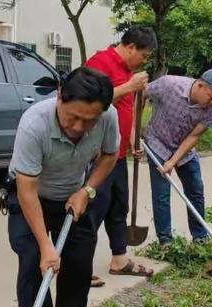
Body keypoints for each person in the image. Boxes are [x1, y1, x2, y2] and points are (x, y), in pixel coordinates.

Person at [6, 67, 120, 307]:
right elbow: (26, 189)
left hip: (74, 197)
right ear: (59, 96)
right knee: (34, 270)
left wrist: (87, 190)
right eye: (73, 118)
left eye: (89, 121)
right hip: (31, 198)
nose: (79, 128)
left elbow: (110, 156)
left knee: (79, 269)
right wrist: (46, 247)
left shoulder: (108, 117)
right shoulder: (34, 124)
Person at [86, 26, 157, 286]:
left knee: (118, 207)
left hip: (118, 153)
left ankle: (119, 260)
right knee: (93, 209)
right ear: (130, 47)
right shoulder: (99, 63)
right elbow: (89, 100)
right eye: (144, 55)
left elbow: (127, 108)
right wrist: (129, 86)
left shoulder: (129, 71)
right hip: (97, 155)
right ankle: (79, 267)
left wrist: (132, 137)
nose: (144, 60)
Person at [144, 69, 212, 246]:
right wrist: (132, 128)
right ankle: (166, 241)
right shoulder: (168, 84)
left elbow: (194, 137)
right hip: (157, 142)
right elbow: (140, 93)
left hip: (184, 148)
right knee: (161, 193)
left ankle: (200, 237)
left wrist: (172, 161)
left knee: (195, 189)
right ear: (200, 85)